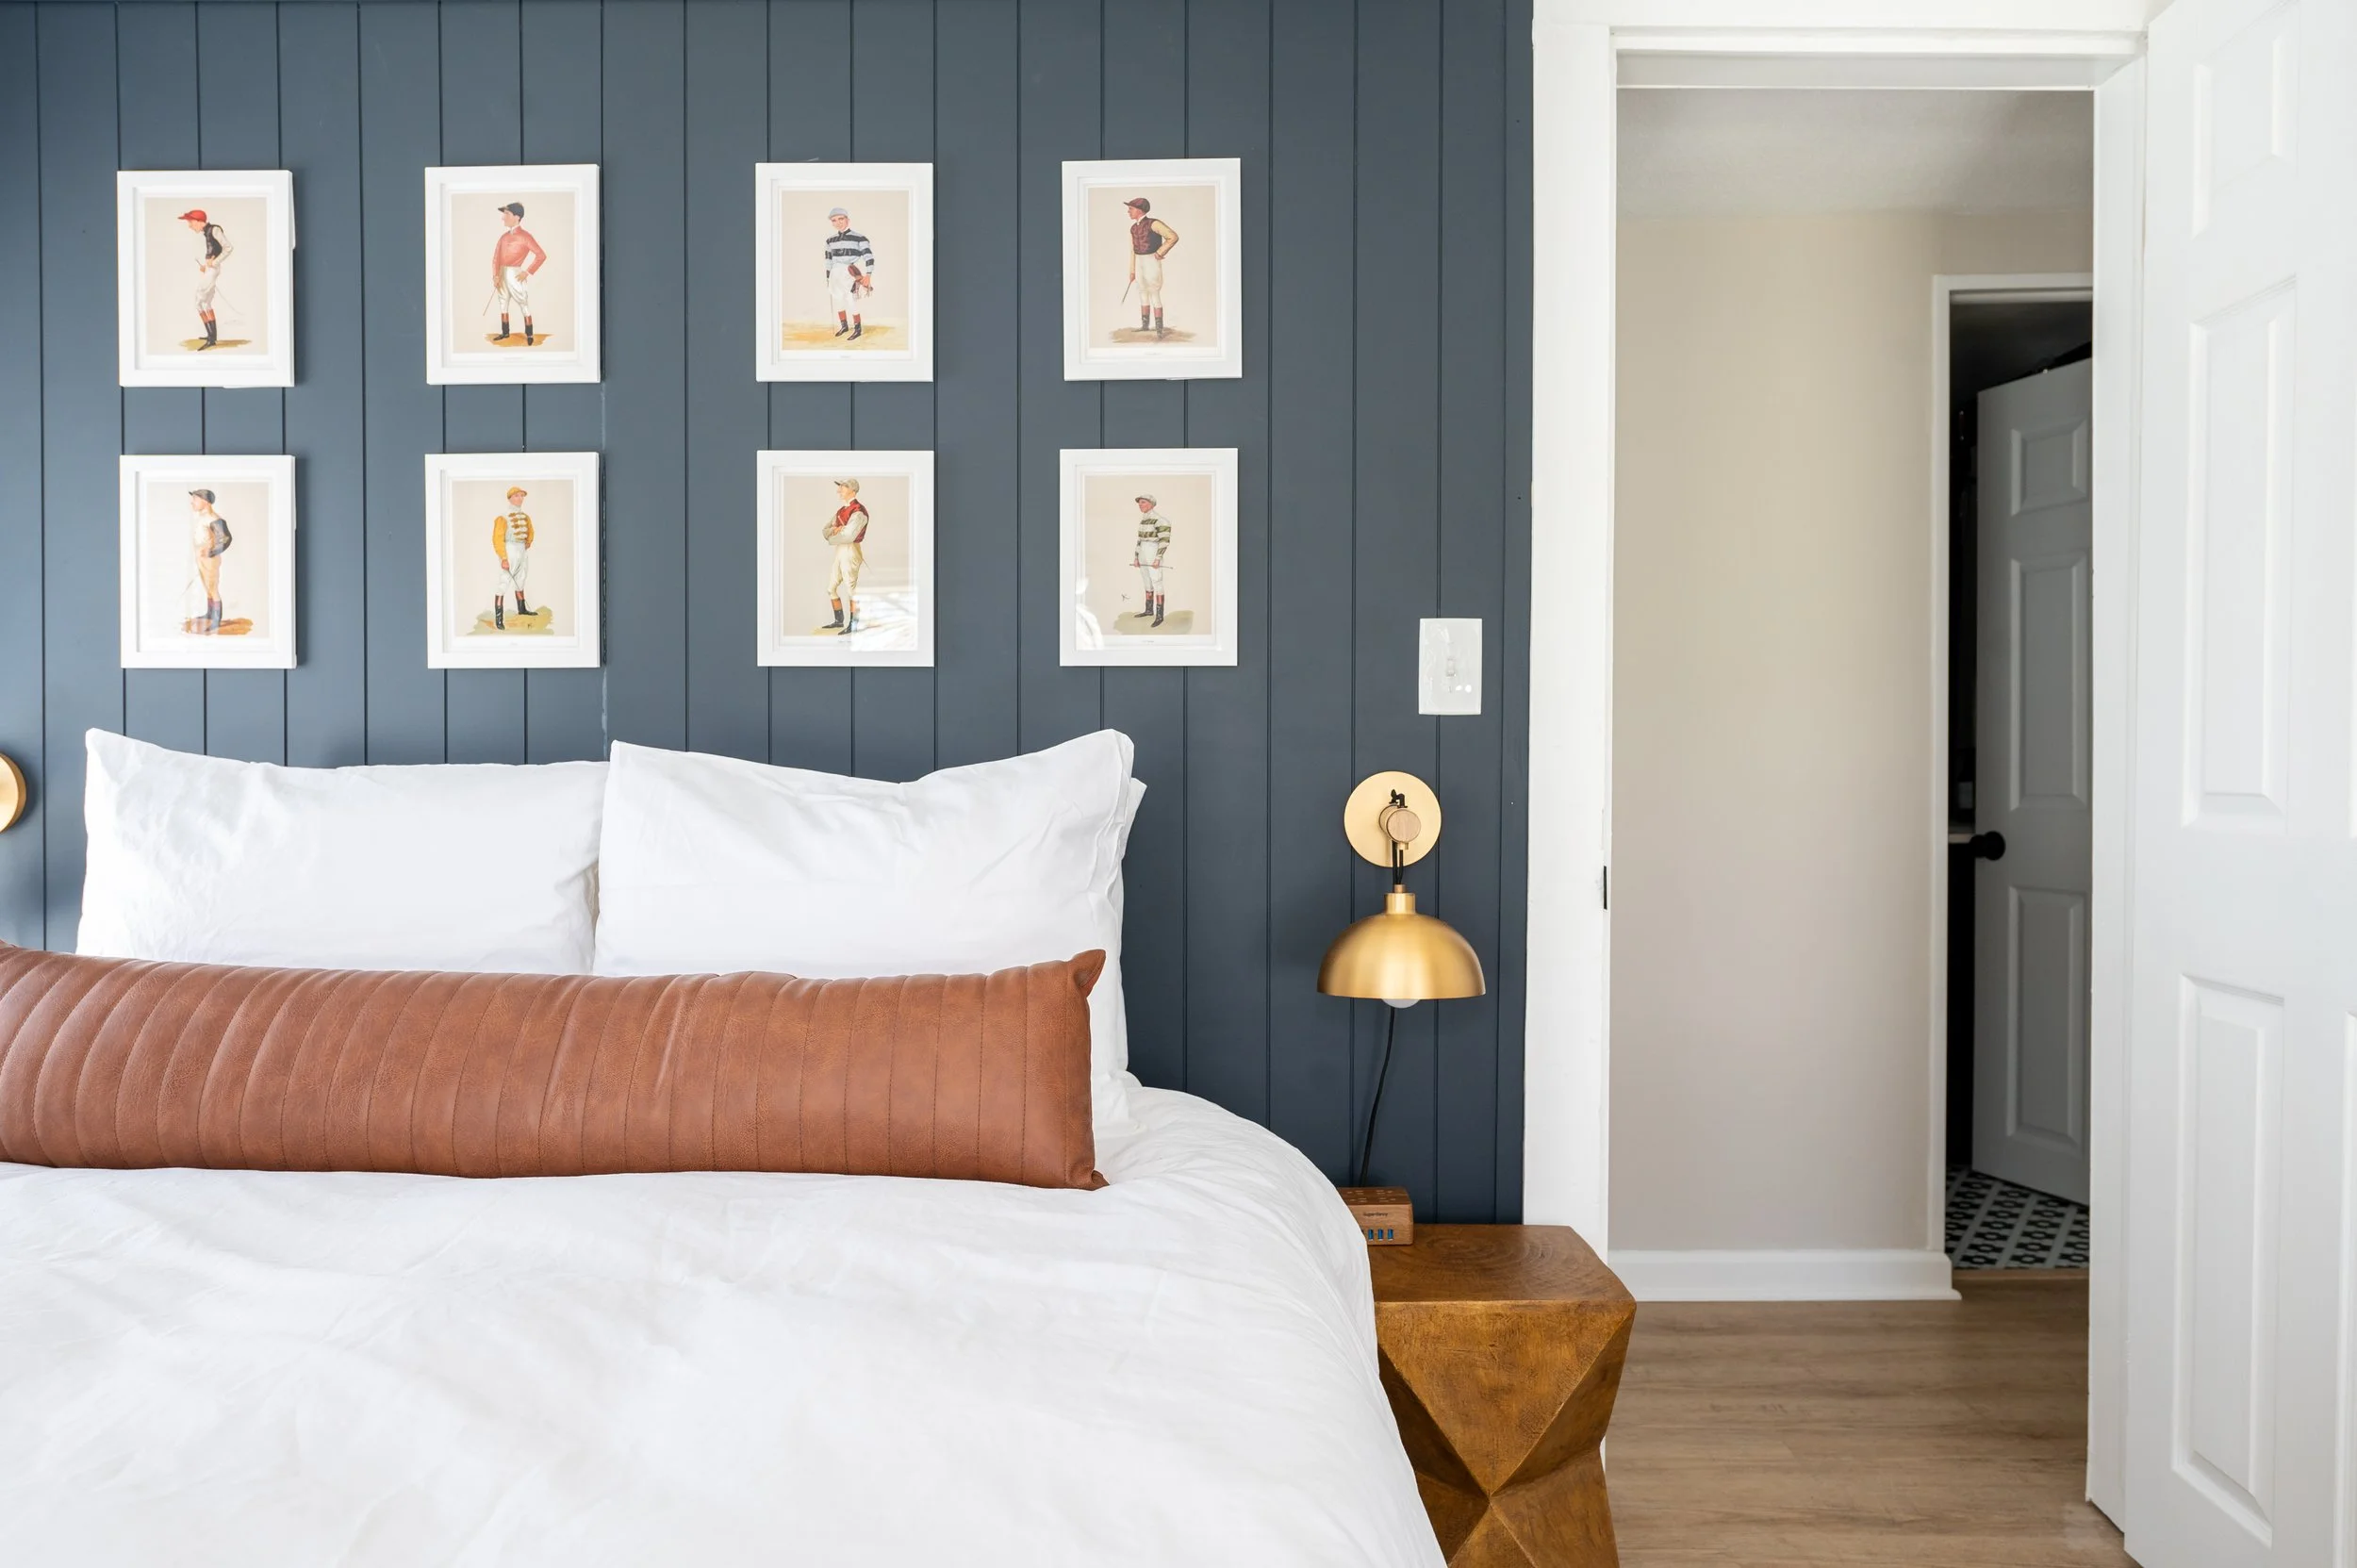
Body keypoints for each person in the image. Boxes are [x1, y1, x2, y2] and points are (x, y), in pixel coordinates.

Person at [491, 202, 548, 346]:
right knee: (503, 303)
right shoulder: (503, 237)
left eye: (506, 214)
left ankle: (529, 334)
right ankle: (505, 332)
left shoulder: (525, 236)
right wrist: (496, 276)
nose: (503, 218)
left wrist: (527, 272)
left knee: (523, 304)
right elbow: (496, 258)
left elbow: (541, 255)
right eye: (503, 214)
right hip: (502, 273)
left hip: (515, 274)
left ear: (517, 217)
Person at [1123, 197, 1180, 339]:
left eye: (1131, 208)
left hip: (1151, 261)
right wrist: (1132, 271)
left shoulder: (1153, 223)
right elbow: (1132, 250)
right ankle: (1145, 325)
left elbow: (1172, 237)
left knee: (1154, 292)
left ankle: (1159, 329)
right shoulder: (1133, 228)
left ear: (1140, 210)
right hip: (1139, 262)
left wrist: (1160, 252)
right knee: (1142, 291)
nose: (1128, 211)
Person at [178, 209, 232, 350]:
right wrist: (206, 266)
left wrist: (214, 263)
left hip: (213, 269)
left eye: (190, 222)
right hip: (209, 269)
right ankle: (211, 336)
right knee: (206, 303)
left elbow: (228, 248)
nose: (189, 226)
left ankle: (211, 338)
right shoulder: (207, 233)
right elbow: (216, 250)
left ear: (198, 221)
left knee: (199, 302)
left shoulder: (214, 230)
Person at [823, 479, 869, 633]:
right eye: (840, 487)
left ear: (853, 490)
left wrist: (836, 532)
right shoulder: (840, 511)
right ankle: (839, 620)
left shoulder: (859, 511)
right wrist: (835, 531)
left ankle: (854, 625)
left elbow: (848, 536)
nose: (839, 490)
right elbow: (825, 530)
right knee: (831, 588)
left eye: (843, 487)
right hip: (840, 550)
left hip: (851, 549)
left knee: (851, 588)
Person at [824, 207, 877, 341]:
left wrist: (868, 275)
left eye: (841, 219)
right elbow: (828, 260)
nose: (838, 222)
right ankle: (844, 326)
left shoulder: (860, 238)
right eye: (834, 220)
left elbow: (868, 256)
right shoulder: (830, 241)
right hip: (835, 273)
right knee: (837, 300)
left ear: (848, 220)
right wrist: (828, 277)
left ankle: (858, 329)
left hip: (849, 272)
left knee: (851, 300)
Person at [187, 488, 232, 634]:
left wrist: (211, 551)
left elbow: (225, 538)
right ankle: (210, 613)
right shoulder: (202, 517)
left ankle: (216, 620)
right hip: (201, 558)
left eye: (195, 499)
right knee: (207, 587)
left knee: (213, 588)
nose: (192, 502)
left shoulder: (214, 518)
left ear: (205, 502)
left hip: (209, 559)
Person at [491, 486, 534, 631]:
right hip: (509, 550)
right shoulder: (502, 517)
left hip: (522, 550)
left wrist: (527, 542)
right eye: (516, 496)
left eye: (522, 496)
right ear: (510, 498)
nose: (520, 498)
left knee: (521, 578)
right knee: (504, 582)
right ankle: (499, 618)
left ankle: (522, 609)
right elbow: (497, 539)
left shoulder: (526, 516)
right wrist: (503, 557)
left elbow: (530, 531)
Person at [1130, 493, 1171, 628]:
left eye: (1143, 502)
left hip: (1153, 551)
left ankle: (1159, 616)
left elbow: (1164, 541)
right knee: (1147, 581)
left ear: (1151, 504)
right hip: (1143, 552)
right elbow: (1139, 540)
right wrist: (1136, 557)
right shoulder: (1142, 520)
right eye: (1139, 503)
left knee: (1156, 581)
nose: (1140, 505)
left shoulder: (1160, 520)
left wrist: (1158, 558)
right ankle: (1149, 610)